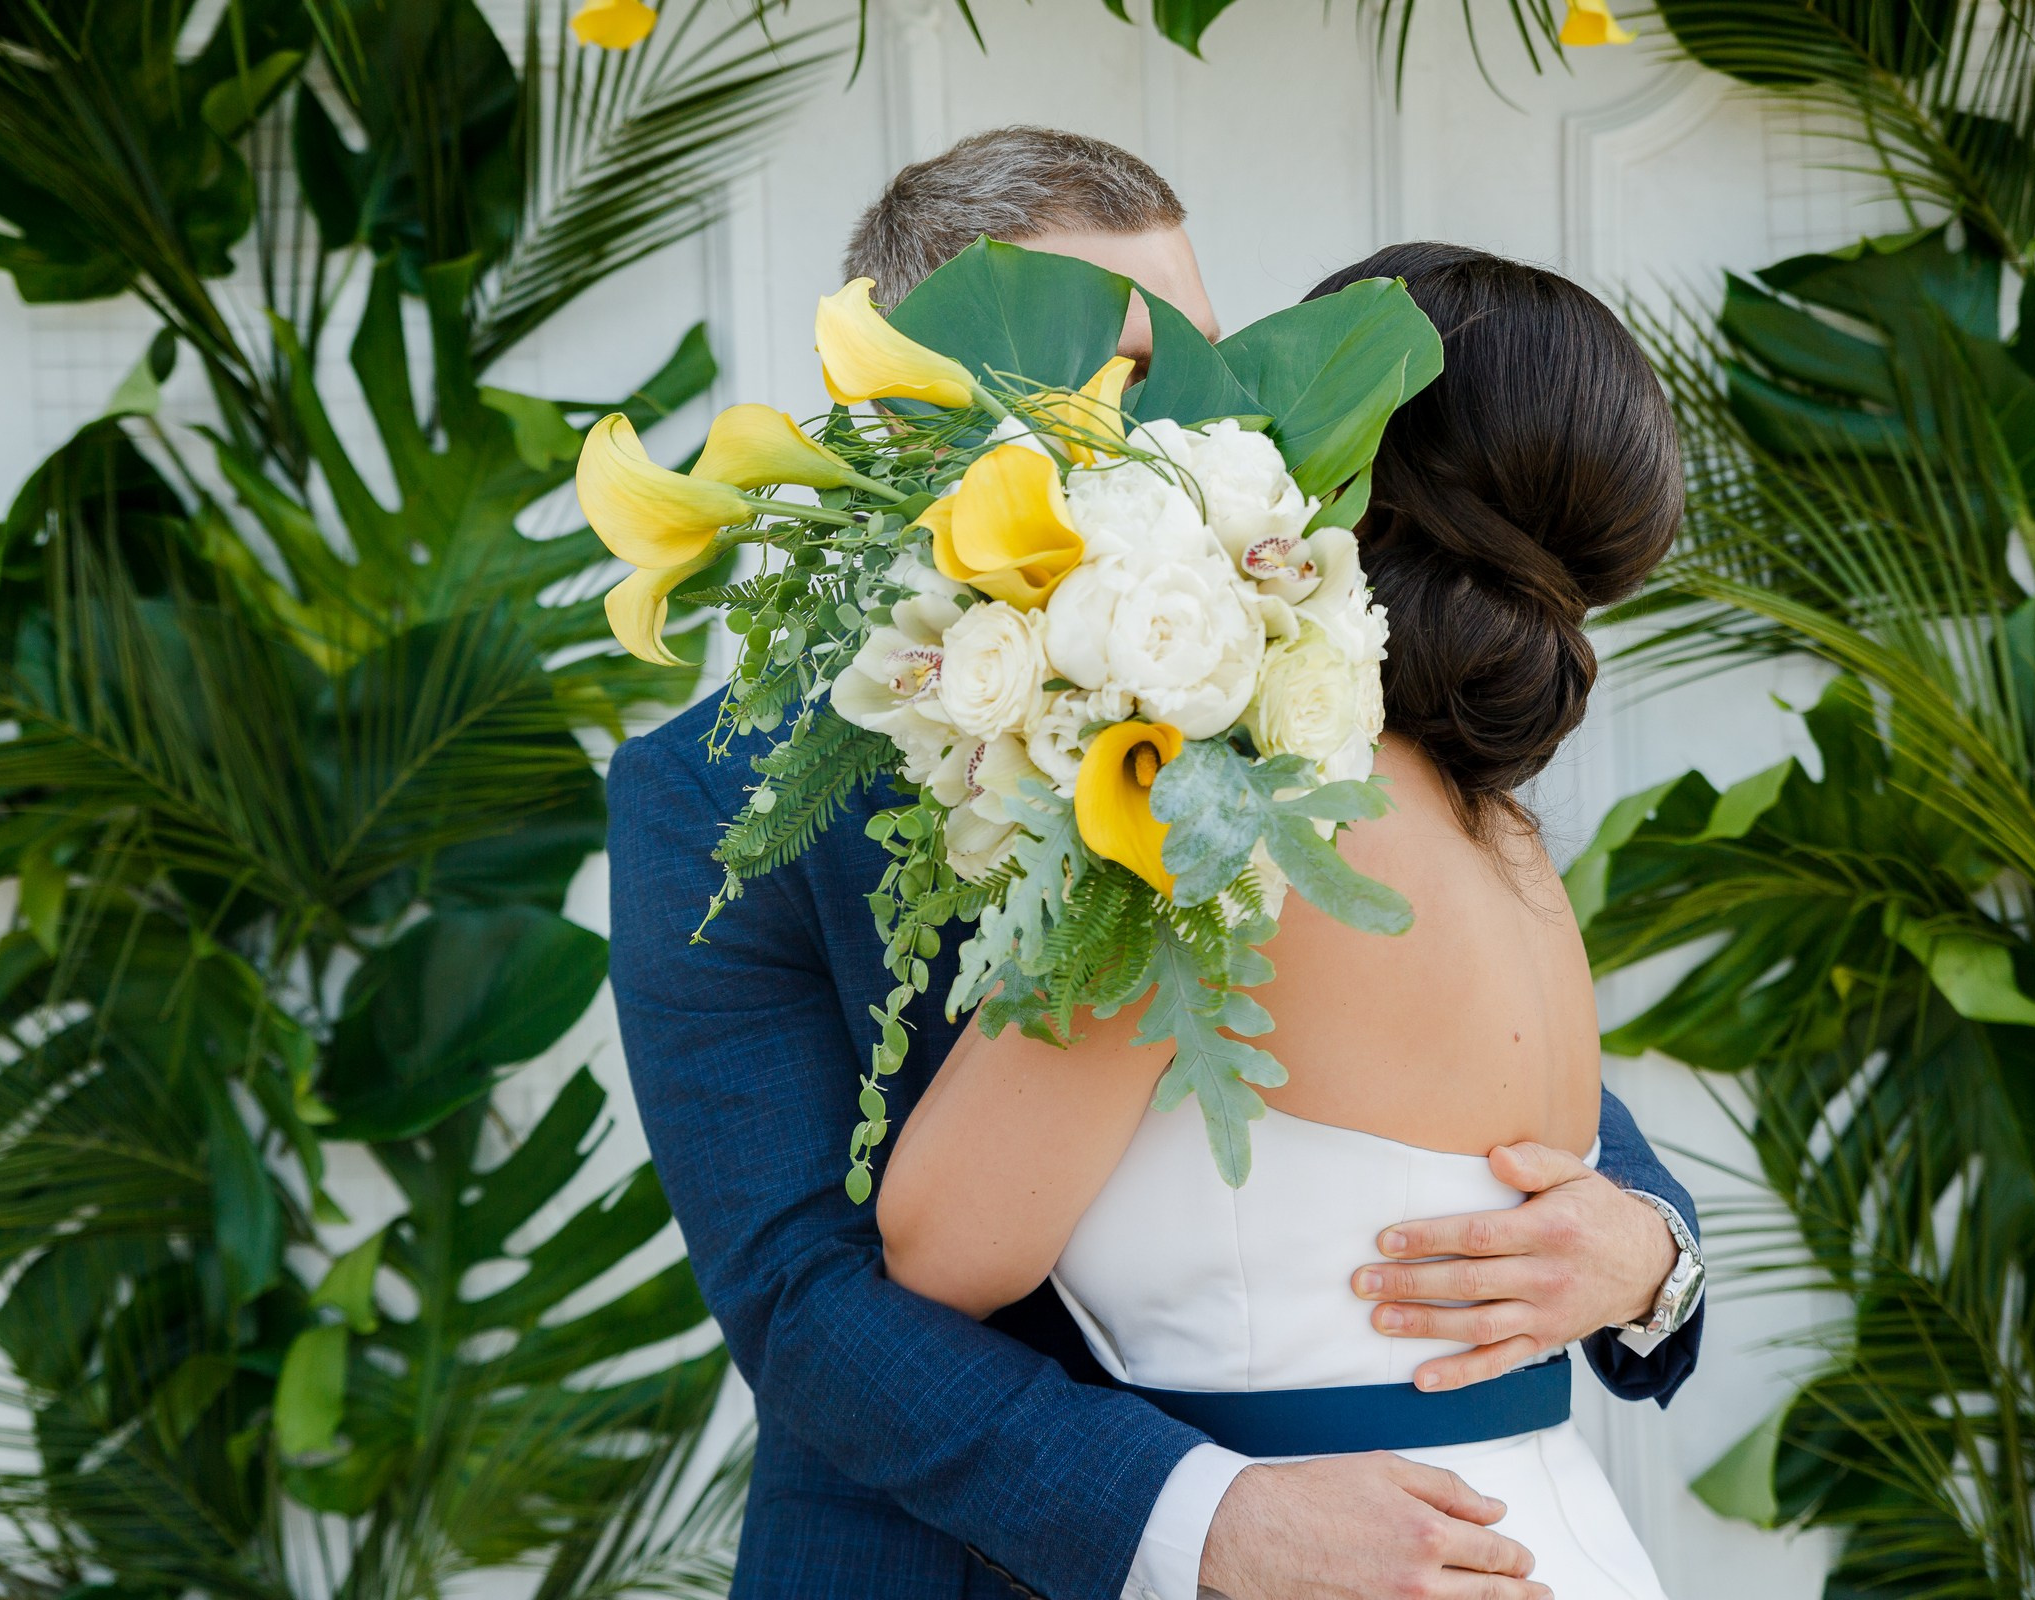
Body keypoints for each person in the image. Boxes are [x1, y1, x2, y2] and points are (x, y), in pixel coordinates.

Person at [607, 130, 1705, 1600]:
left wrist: (1648, 1253)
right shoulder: (707, 798)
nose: (1183, 419)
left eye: (1197, 361)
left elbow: (1481, 1099)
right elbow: (803, 1296)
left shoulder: (1281, 738)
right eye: (1114, 369)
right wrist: (1205, 1520)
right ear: (897, 403)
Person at [877, 241, 1692, 1599]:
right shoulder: (1510, 854)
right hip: (1554, 1542)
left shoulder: (1237, 821)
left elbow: (940, 1245)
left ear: (1348, 447)